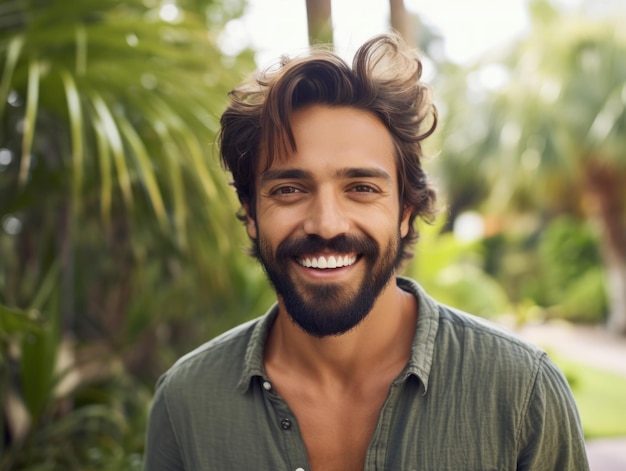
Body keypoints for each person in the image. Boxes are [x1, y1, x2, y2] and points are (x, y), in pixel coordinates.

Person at [143, 33, 589, 471]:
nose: (326, 224)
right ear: (252, 213)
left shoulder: (521, 392)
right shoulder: (186, 403)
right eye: (289, 189)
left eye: (360, 188)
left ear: (404, 212)